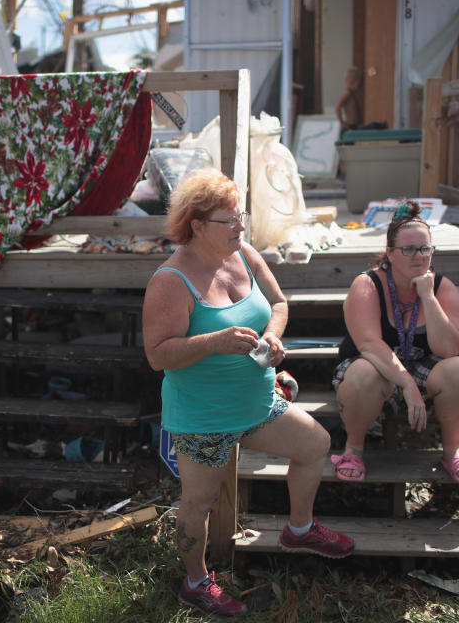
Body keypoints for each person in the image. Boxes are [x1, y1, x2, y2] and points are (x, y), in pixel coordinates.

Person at [142, 168, 354, 620]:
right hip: (203, 415)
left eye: (242, 216)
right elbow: (158, 356)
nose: (241, 226)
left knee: (315, 443)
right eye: (230, 220)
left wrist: (274, 337)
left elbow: (279, 304)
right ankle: (195, 582)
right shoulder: (170, 281)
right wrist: (214, 342)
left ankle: (298, 528)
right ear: (196, 225)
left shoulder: (244, 253)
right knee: (198, 503)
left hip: (257, 401)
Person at [331, 200, 459, 484]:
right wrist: (408, 385)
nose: (419, 256)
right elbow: (369, 345)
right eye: (409, 249)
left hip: (425, 371)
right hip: (376, 373)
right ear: (390, 253)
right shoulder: (366, 284)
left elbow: (450, 349)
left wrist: (427, 296)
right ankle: (353, 449)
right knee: (364, 372)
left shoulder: (441, 286)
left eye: (425, 249)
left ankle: (453, 451)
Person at [335, 67, 363, 133]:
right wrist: (342, 122)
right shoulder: (347, 93)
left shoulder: (351, 93)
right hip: (349, 126)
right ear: (352, 81)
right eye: (359, 83)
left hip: (354, 125)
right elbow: (337, 107)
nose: (359, 86)